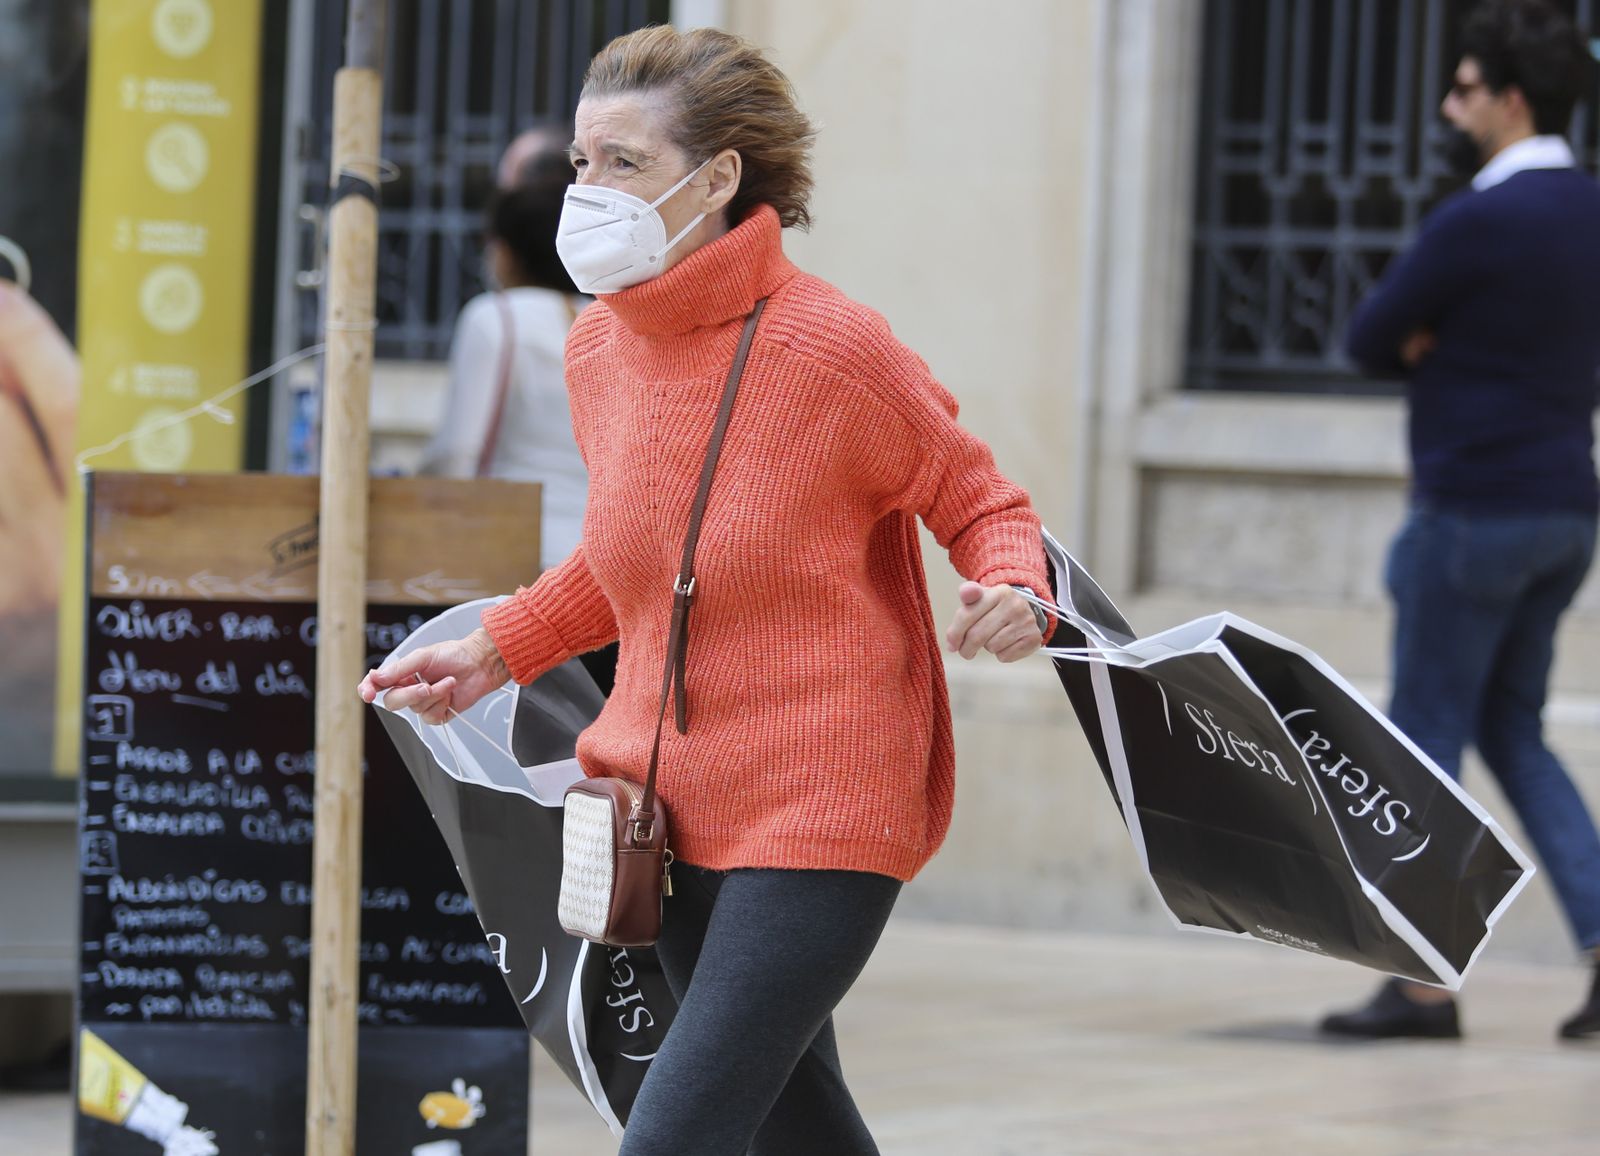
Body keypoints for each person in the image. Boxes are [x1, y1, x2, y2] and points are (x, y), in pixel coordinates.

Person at [362, 25, 1053, 1152]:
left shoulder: (835, 349)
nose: (589, 190)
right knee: (796, 1125)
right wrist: (495, 650)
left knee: (673, 1132)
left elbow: (982, 501)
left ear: (718, 176)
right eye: (583, 163)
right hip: (664, 815)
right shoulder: (598, 353)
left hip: (827, 802)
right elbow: (637, 560)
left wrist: (1014, 587)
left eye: (624, 162)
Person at [1324, 0, 1600, 1043]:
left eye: (1467, 87)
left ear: (1512, 99)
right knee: (1514, 734)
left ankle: (1420, 986)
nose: (1450, 105)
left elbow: (1365, 336)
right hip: (1565, 509)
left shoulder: (1477, 218)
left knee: (1422, 742)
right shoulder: (1587, 210)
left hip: (1470, 511)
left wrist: (1430, 338)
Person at [419, 138, 589, 574]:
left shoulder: (493, 317)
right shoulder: (606, 319)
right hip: (594, 564)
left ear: (507, 250)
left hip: (516, 558)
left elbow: (457, 452)